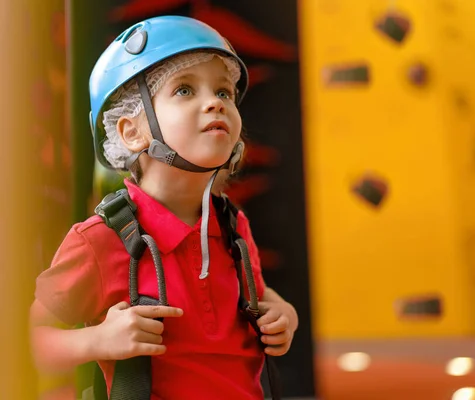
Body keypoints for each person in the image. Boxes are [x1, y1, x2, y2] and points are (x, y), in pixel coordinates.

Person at [29, 15, 298, 400]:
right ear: (131, 132)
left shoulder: (233, 228)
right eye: (185, 90)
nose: (214, 104)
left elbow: (259, 292)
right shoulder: (99, 241)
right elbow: (27, 344)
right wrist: (99, 340)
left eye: (223, 92)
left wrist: (285, 312)